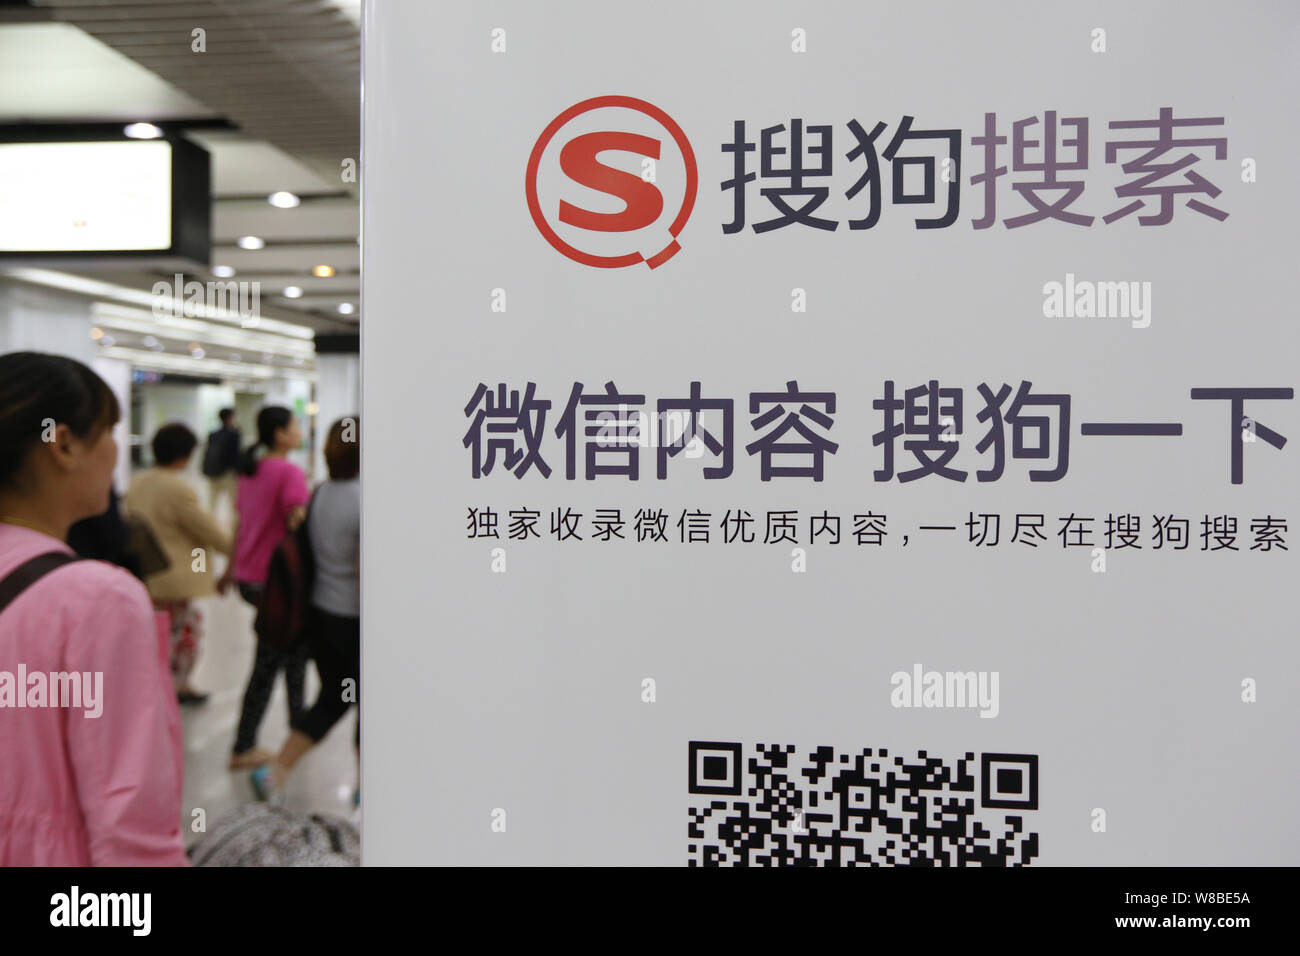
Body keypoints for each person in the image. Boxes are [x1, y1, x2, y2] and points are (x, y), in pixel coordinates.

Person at [0, 352, 188, 866]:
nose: (113, 452)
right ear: (61, 444)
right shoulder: (96, 600)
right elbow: (130, 825)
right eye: (107, 432)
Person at [252, 417, 360, 804]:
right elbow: (365, 573)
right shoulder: (366, 499)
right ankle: (366, 791)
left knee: (333, 698)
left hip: (323, 616)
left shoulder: (323, 493)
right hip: (356, 622)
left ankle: (276, 771)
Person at [218, 406, 311, 770]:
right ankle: (246, 746)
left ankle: (297, 735)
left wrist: (229, 569)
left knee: (292, 656)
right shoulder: (289, 472)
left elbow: (240, 526)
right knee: (272, 662)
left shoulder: (251, 472)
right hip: (279, 583)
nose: (299, 430)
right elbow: (297, 521)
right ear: (279, 434)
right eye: (293, 425)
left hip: (251, 579)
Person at [126, 423, 233, 705]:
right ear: (185, 454)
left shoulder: (138, 483)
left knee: (155, 632)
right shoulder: (178, 488)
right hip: (175, 576)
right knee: (182, 634)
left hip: (146, 573)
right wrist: (238, 550)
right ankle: (176, 687)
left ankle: (157, 684)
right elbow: (207, 529)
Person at [202, 408, 241, 516]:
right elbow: (235, 455)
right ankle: (234, 529)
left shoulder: (213, 434)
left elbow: (207, 453)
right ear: (230, 418)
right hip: (229, 473)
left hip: (214, 472)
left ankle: (209, 526)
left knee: (212, 503)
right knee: (234, 505)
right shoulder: (234, 434)